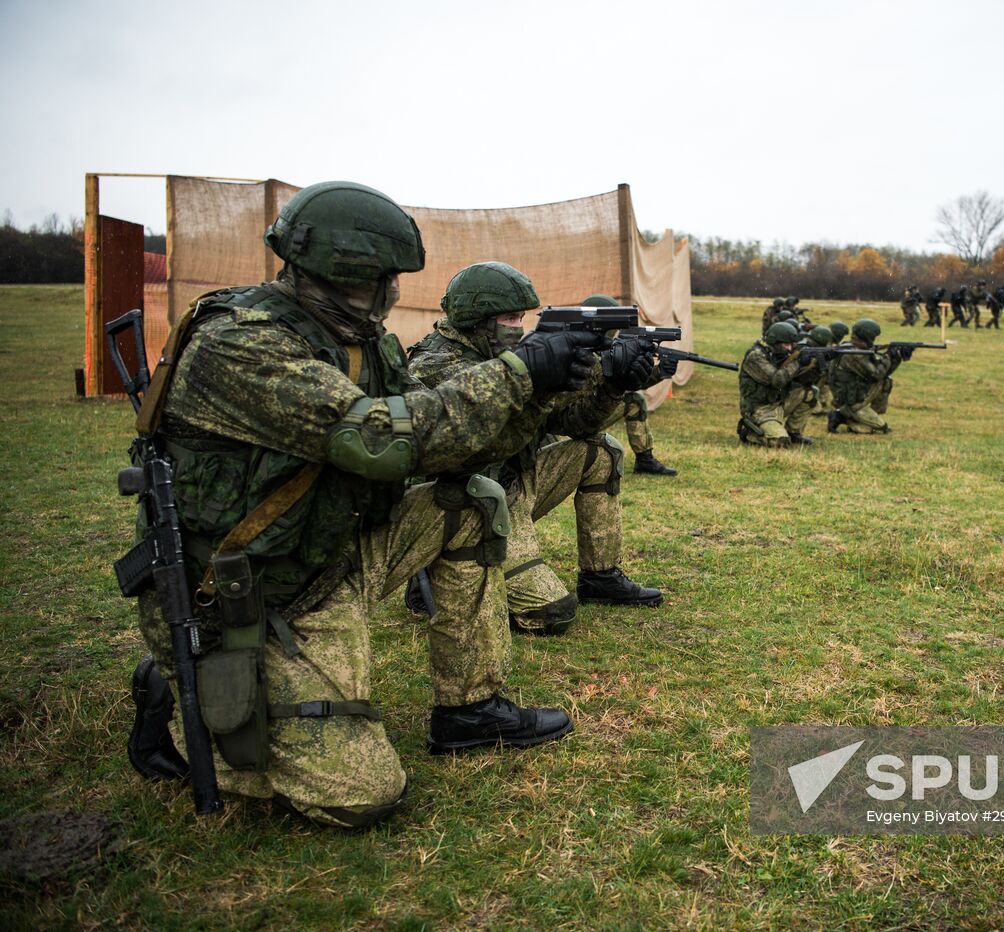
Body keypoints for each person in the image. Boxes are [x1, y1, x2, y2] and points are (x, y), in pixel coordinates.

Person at [123, 181, 604, 829]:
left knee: (471, 498)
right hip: (250, 591)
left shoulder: (364, 339)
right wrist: (520, 373)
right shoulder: (241, 345)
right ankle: (179, 698)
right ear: (353, 273)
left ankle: (468, 708)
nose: (396, 293)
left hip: (330, 545)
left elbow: (448, 447)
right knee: (361, 795)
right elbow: (380, 437)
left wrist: (541, 392)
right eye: (386, 277)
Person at [407, 263, 664, 640]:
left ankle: (600, 575)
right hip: (472, 504)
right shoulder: (438, 365)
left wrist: (611, 384)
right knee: (551, 613)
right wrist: (552, 382)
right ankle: (434, 569)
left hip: (514, 483)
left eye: (521, 318)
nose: (519, 327)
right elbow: (484, 443)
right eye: (510, 318)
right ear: (478, 319)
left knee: (600, 451)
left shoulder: (505, 355)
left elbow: (572, 424)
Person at [578, 294, 676, 476]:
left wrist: (659, 372)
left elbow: (627, 383)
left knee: (634, 400)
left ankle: (645, 460)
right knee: (634, 400)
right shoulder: (587, 354)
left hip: (585, 413)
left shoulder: (596, 348)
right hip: (572, 422)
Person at [737, 321, 819, 447]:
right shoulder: (756, 356)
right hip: (760, 409)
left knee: (810, 393)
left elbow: (800, 380)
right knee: (781, 443)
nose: (790, 348)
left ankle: (794, 433)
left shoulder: (778, 353)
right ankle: (751, 433)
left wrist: (814, 365)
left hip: (778, 402)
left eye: (792, 345)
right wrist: (798, 363)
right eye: (786, 345)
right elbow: (777, 380)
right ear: (774, 341)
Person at [827, 318, 909, 434]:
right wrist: (888, 357)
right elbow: (877, 374)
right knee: (879, 430)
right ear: (867, 337)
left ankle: (856, 416)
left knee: (886, 381)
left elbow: (884, 373)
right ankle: (840, 415)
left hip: (853, 394)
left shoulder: (854, 347)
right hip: (851, 401)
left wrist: (896, 358)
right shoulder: (854, 355)